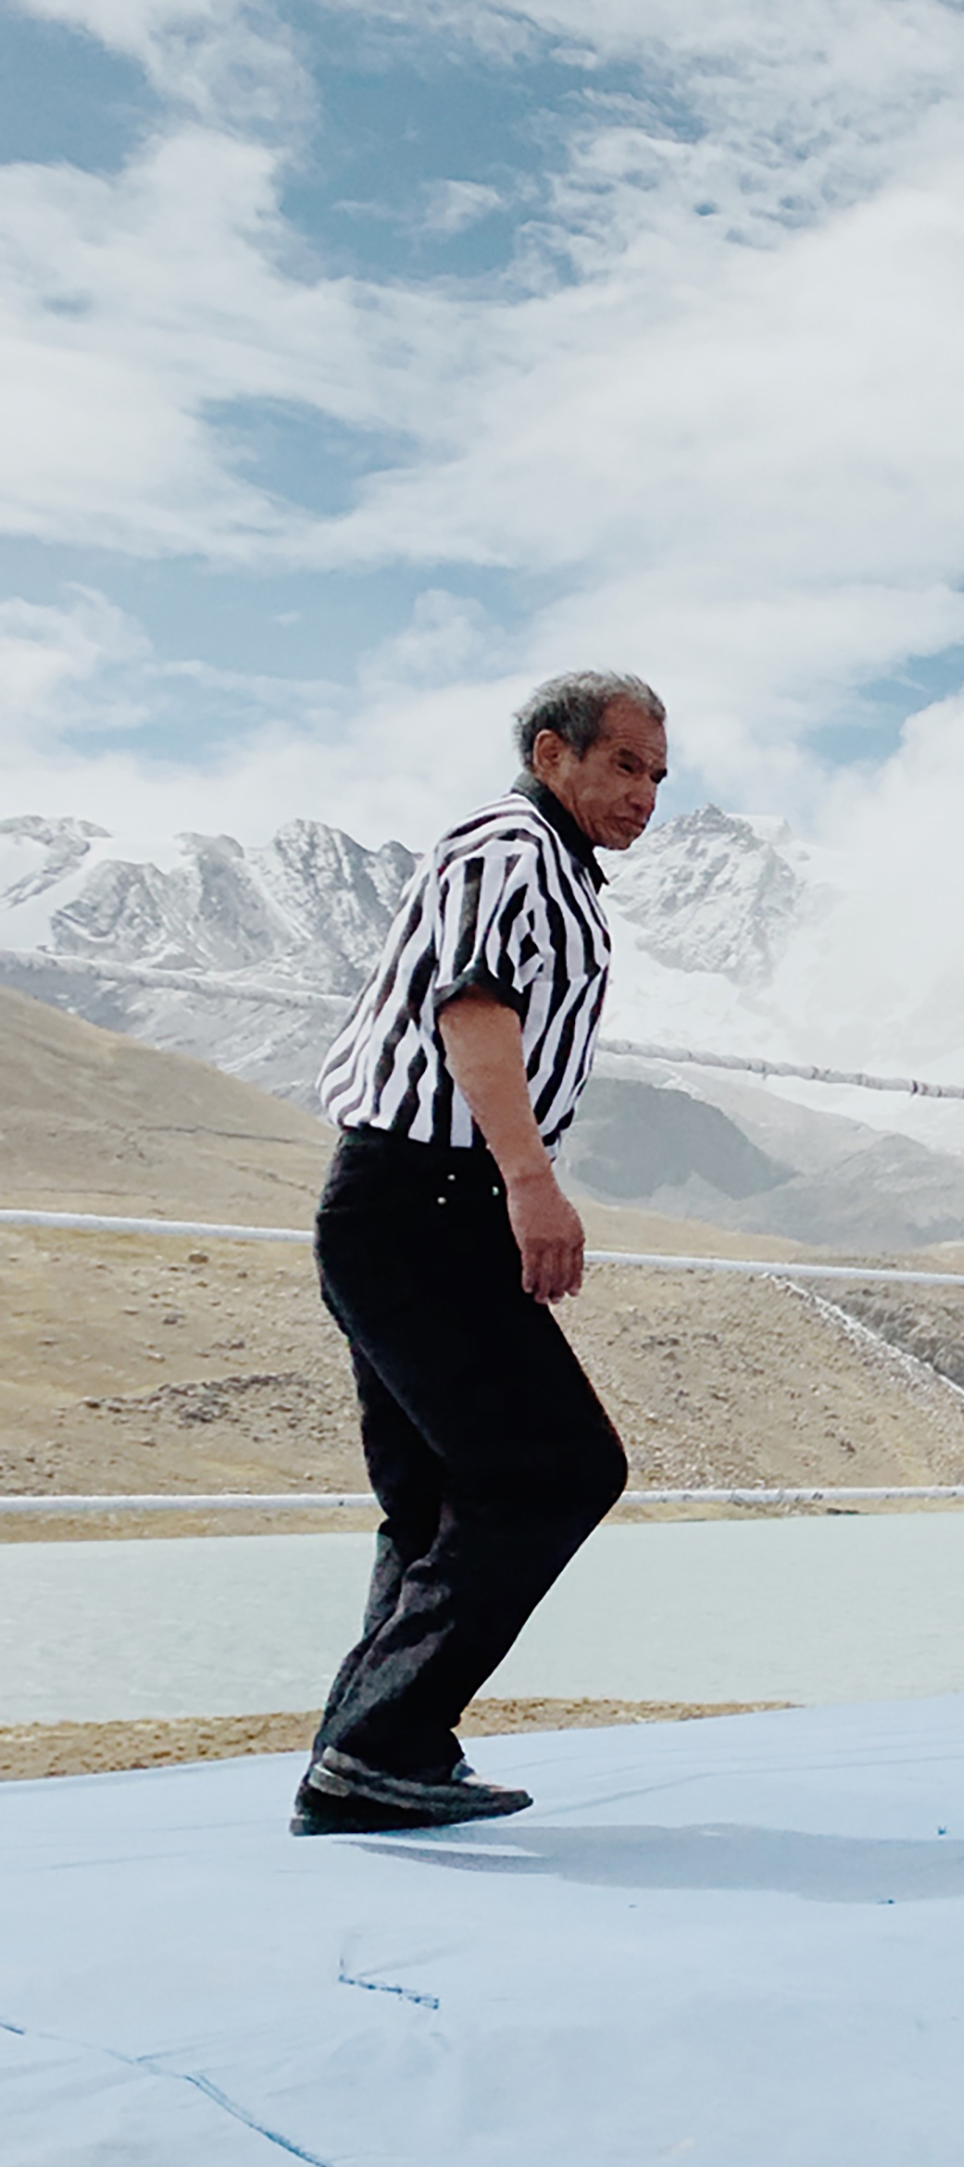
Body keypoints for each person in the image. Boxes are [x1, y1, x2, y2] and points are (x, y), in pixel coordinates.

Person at [289, 671, 665, 1836]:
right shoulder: (509, 848)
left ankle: (375, 1755)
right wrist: (531, 1184)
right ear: (553, 753)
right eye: (623, 767)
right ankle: (379, 1741)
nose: (643, 795)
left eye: (657, 776)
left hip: (408, 1204)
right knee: (555, 1468)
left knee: (436, 1498)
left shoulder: (551, 864)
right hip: (424, 1205)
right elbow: (474, 1012)